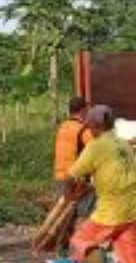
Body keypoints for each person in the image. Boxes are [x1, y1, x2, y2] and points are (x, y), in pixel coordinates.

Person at [66, 105, 136, 263]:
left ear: (96, 126)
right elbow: (113, 175)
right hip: (135, 211)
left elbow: (72, 175)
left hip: (111, 211)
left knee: (82, 240)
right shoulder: (123, 145)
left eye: (90, 128)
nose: (90, 131)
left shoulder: (96, 146)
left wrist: (68, 195)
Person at [54, 97, 95, 253]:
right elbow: (95, 151)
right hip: (77, 179)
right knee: (84, 213)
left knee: (65, 215)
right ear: (82, 110)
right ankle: (79, 249)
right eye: (87, 110)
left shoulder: (63, 127)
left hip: (60, 175)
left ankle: (61, 248)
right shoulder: (83, 130)